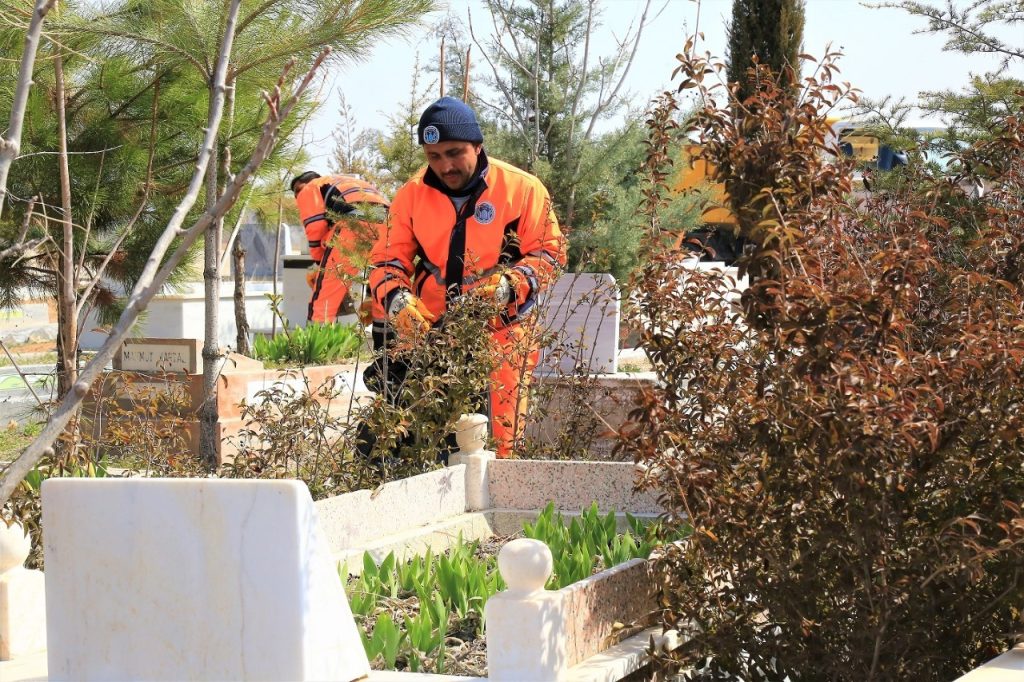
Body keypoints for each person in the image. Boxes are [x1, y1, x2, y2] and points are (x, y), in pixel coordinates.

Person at [368, 97, 566, 458]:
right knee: (420, 440)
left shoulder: (522, 189)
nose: (445, 165)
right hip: (429, 331)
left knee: (499, 443)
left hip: (503, 332)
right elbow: (385, 260)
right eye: (434, 156)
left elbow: (549, 252)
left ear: (478, 145)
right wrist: (398, 301)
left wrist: (510, 285)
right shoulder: (411, 196)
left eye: (454, 152)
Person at [290, 172, 390, 324]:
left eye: (297, 190)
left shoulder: (310, 187)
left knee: (325, 296)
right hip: (387, 223)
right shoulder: (347, 182)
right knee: (382, 288)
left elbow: (315, 227)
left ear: (307, 182)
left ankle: (317, 343)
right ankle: (385, 343)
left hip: (354, 223)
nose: (298, 196)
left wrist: (320, 265)